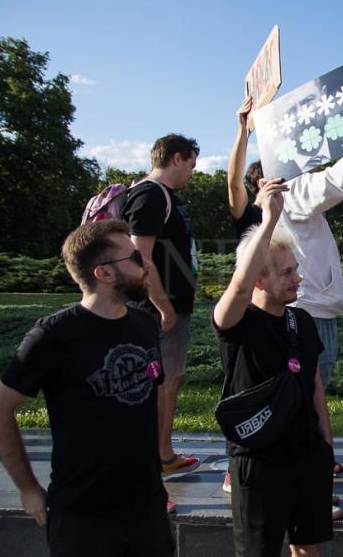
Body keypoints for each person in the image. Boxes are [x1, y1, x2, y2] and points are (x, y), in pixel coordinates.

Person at [223, 96, 343, 496]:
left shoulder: (284, 202)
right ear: (269, 181)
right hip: (303, 311)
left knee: (303, 389)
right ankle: (263, 459)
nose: (301, 169)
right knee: (295, 390)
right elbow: (335, 180)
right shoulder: (290, 195)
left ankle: (308, 452)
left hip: (305, 308)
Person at [0, 220, 174, 556]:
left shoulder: (145, 324)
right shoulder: (54, 335)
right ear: (104, 274)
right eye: (134, 257)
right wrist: (27, 488)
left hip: (148, 508)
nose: (147, 264)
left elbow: (156, 388)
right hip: (83, 518)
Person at [214, 178, 335, 557]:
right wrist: (268, 222)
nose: (298, 278)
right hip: (260, 461)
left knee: (307, 547)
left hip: (305, 454)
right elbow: (236, 287)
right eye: (286, 272)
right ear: (260, 280)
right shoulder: (237, 323)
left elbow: (314, 384)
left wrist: (326, 445)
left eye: (296, 269)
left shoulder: (301, 321)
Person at [122, 134, 201, 479]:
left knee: (169, 379)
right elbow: (141, 256)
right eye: (193, 165)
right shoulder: (150, 195)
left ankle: (161, 452)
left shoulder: (163, 197)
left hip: (170, 306)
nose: (193, 174)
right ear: (177, 158)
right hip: (156, 310)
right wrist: (164, 305)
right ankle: (158, 456)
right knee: (162, 381)